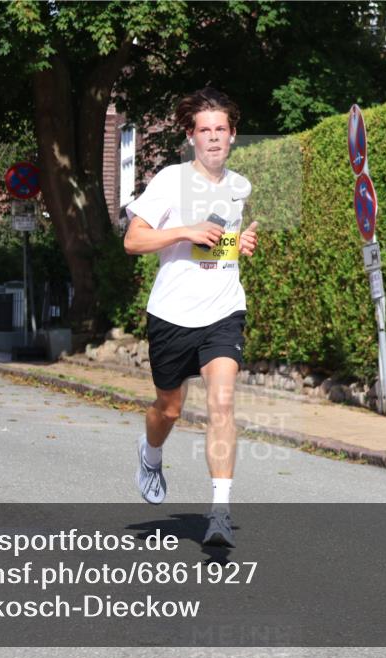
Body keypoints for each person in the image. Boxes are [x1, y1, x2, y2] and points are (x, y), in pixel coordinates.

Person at [123, 87, 259, 547]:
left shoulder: (241, 188)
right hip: (172, 314)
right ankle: (151, 452)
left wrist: (236, 245)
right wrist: (185, 229)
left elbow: (212, 245)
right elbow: (134, 241)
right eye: (206, 130)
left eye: (222, 129)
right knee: (170, 408)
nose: (214, 138)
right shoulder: (170, 180)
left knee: (222, 404)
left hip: (223, 310)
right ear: (191, 137)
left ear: (233, 135)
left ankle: (219, 512)